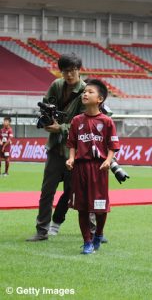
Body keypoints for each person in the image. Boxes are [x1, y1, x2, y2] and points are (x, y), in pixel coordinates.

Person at [26, 53, 87, 242]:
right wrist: (46, 118)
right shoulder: (56, 85)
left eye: (73, 71)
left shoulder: (86, 90)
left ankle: (94, 230)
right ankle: (42, 230)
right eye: (65, 71)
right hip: (54, 148)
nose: (69, 75)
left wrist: (60, 127)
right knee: (47, 192)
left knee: (78, 192)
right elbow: (46, 106)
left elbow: (84, 124)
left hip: (74, 151)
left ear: (79, 70)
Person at [66, 79, 120, 254]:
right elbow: (72, 143)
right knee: (82, 207)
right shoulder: (76, 121)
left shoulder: (106, 122)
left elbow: (113, 146)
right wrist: (71, 158)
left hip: (99, 169)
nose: (85, 94)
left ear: (100, 99)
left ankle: (99, 233)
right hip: (80, 168)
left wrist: (108, 160)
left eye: (90, 92)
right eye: (84, 91)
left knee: (100, 207)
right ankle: (87, 241)